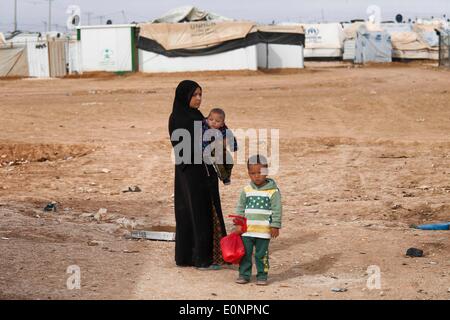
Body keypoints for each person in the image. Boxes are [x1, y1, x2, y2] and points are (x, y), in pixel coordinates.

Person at [168, 80, 227, 270]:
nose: (199, 99)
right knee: (196, 213)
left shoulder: (197, 116)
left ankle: (192, 256)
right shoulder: (179, 117)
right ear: (184, 96)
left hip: (202, 171)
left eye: (201, 94)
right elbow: (182, 147)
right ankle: (201, 259)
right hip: (191, 173)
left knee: (201, 211)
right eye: (195, 95)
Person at [234, 154, 282, 285]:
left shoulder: (273, 191)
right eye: (252, 173)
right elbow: (240, 208)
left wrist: (275, 226)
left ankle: (262, 275)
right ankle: (244, 274)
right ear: (248, 173)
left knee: (262, 255)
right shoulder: (246, 190)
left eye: (260, 172)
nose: (256, 176)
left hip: (263, 231)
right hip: (247, 231)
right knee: (245, 254)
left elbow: (277, 210)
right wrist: (238, 224)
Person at [202, 108, 238, 185]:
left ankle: (227, 176)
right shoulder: (204, 127)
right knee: (219, 163)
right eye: (211, 119)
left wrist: (233, 147)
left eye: (217, 121)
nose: (213, 122)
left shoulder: (223, 129)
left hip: (221, 148)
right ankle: (223, 177)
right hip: (210, 149)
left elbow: (230, 136)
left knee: (230, 162)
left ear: (222, 124)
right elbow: (203, 141)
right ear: (207, 119)